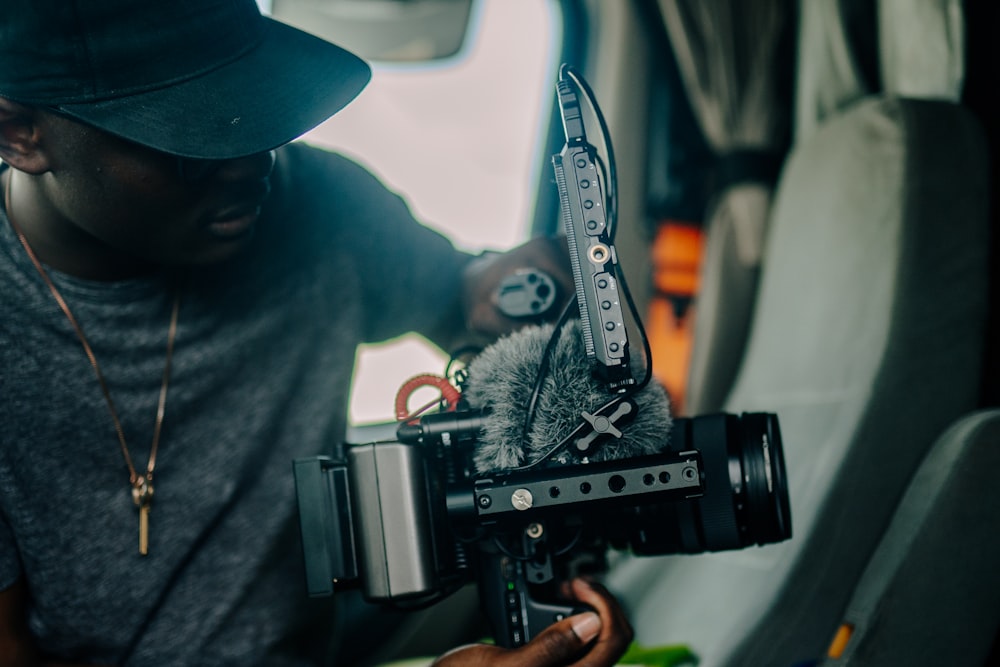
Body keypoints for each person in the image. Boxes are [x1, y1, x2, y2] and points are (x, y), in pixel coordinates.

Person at [0, 1, 634, 666]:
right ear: (19, 133)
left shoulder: (316, 204)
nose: (253, 162)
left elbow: (456, 296)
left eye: (259, 108)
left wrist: (499, 287)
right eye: (192, 137)